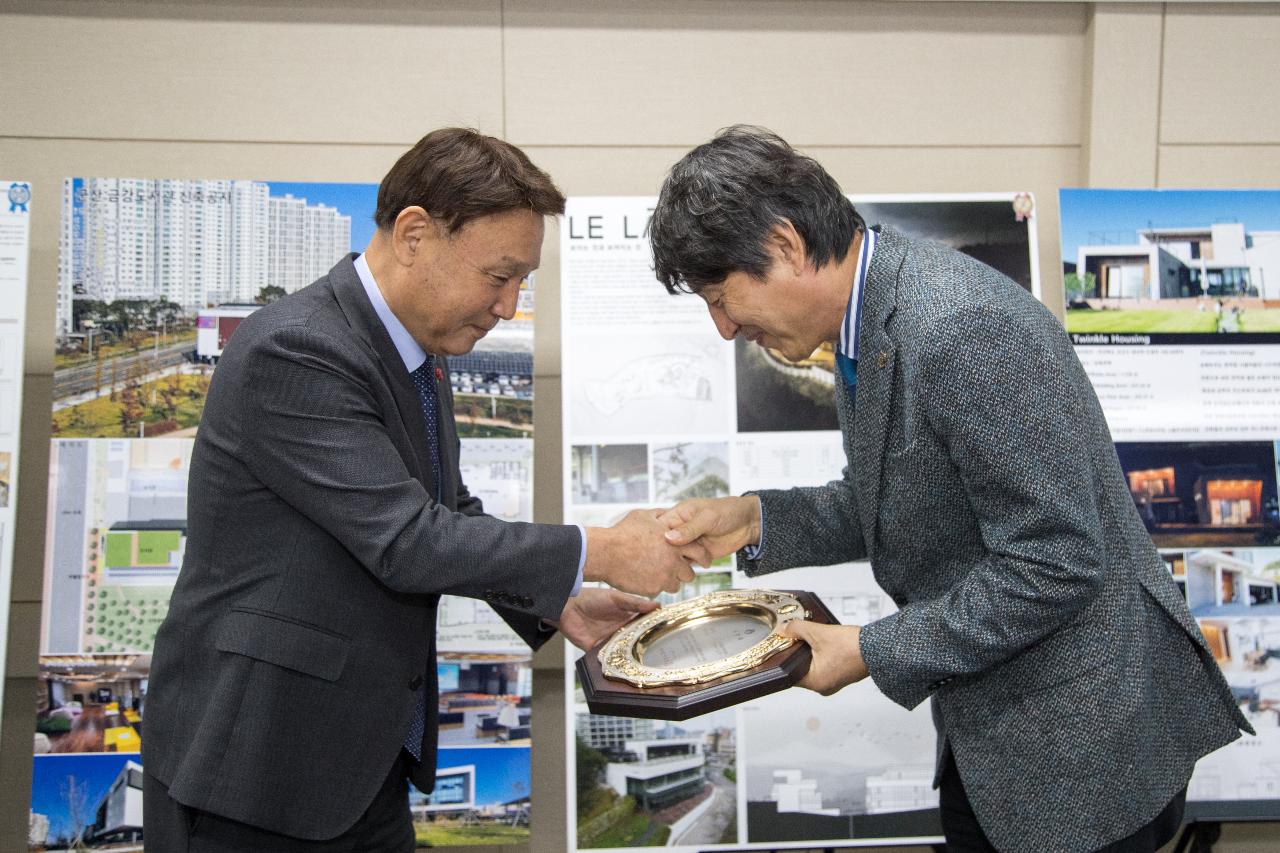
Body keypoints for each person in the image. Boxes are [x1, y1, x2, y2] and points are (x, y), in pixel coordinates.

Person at [648, 126, 1252, 853]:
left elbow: (1055, 560)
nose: (722, 327)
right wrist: (753, 518)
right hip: (998, 730)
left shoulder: (961, 327)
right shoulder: (869, 317)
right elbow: (892, 496)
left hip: (1082, 749)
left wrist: (870, 649)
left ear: (784, 243)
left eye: (721, 295)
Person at [142, 128, 702, 852]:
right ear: (414, 234)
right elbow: (406, 539)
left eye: (521, 282)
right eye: (498, 275)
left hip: (357, 763)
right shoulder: (298, 349)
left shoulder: (419, 349)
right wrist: (600, 548)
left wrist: (558, 601)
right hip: (256, 766)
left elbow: (446, 512)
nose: (508, 305)